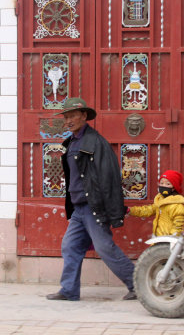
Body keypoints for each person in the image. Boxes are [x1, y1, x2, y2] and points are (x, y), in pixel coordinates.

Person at [46, 97, 136, 301]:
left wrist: (111, 210)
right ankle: (69, 290)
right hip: (79, 209)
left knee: (105, 248)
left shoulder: (96, 142)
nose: (68, 120)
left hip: (93, 206)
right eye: (66, 116)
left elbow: (109, 177)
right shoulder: (72, 142)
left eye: (72, 116)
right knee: (70, 245)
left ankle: (138, 285)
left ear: (84, 116)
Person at [128, 170, 184, 237]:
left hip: (168, 243)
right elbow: (148, 210)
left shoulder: (177, 204)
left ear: (174, 188)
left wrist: (170, 240)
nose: (163, 186)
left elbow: (178, 226)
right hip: (158, 240)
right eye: (161, 183)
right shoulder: (160, 201)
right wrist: (130, 210)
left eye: (168, 184)